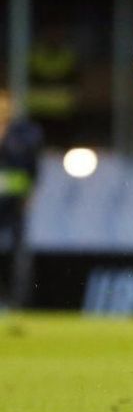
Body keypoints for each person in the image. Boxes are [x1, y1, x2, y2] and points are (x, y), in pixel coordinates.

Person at [0, 89, 43, 308]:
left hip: (15, 203)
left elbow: (33, 167)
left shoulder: (24, 133)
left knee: (18, 255)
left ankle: (19, 302)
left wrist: (31, 192)